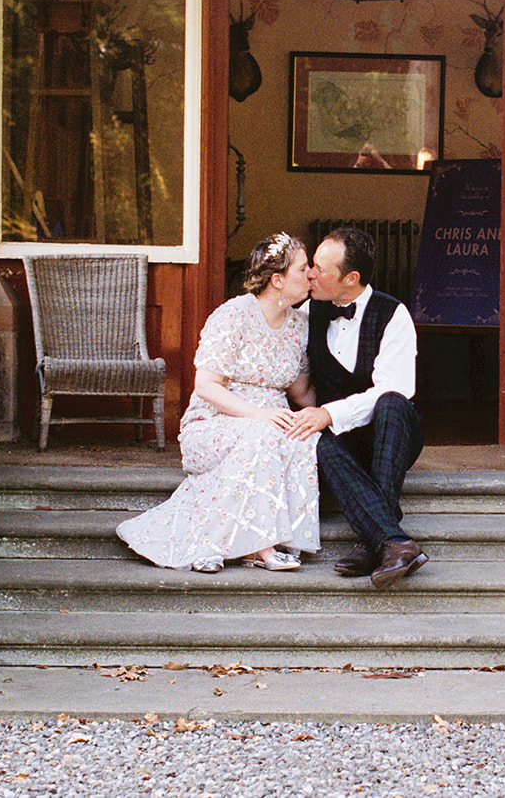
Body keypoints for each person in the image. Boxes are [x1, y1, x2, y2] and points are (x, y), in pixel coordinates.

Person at [116, 233, 319, 572]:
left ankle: (257, 541)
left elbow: (300, 393)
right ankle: (261, 549)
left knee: (303, 438)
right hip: (215, 420)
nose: (311, 274)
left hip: (272, 419)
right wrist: (259, 415)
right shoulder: (233, 315)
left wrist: (328, 413)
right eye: (303, 268)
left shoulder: (301, 325)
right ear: (277, 280)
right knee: (264, 437)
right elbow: (207, 386)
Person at [282, 226, 426, 588]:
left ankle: (373, 538)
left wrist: (329, 413)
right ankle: (390, 541)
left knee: (392, 402)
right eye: (310, 265)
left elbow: (396, 387)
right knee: (318, 441)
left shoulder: (394, 314)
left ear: (352, 278)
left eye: (320, 268)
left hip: (390, 435)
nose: (310, 274)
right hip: (340, 441)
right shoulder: (305, 313)